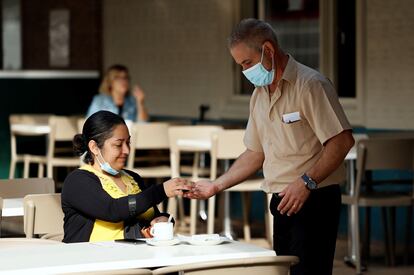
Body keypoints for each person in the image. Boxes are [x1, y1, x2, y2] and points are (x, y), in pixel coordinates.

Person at [185, 18, 355, 275]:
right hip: (281, 201)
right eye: (240, 65)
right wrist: (216, 185)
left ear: (268, 49)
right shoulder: (259, 95)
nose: (245, 71)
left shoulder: (310, 85)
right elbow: (255, 152)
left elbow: (342, 141)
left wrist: (306, 182)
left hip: (314, 199)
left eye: (248, 63)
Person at [62, 110, 189, 243]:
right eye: (118, 145)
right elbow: (113, 210)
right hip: (93, 260)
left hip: (135, 258)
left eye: (128, 143)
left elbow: (150, 213)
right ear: (94, 147)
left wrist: (162, 219)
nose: (127, 150)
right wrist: (162, 191)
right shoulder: (78, 181)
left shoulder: (132, 178)